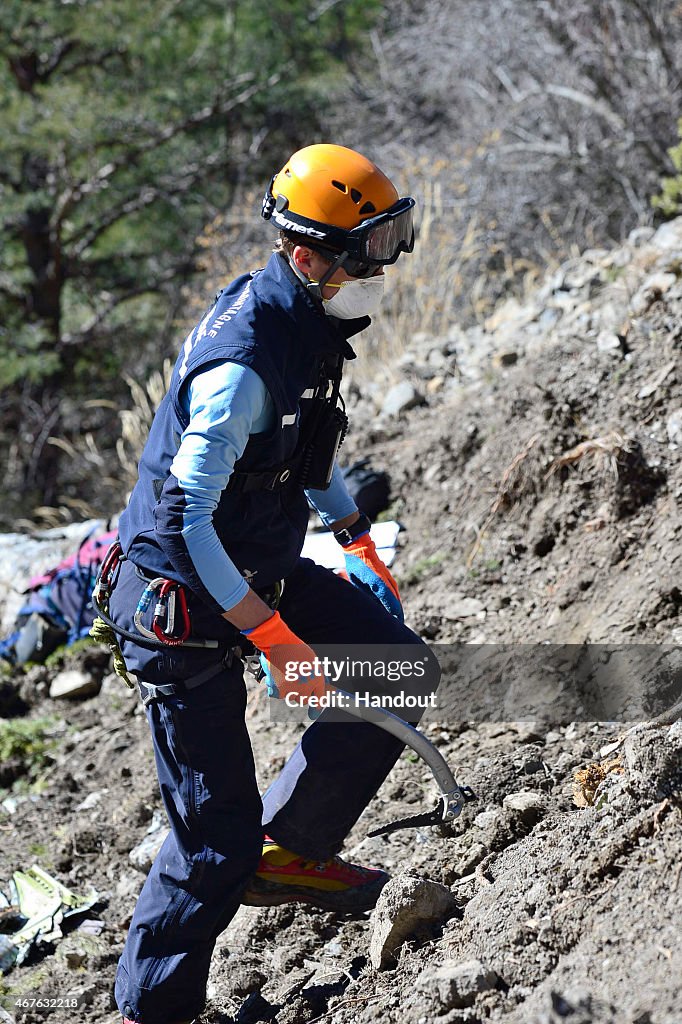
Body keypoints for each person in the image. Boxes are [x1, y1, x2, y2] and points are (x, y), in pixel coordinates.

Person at [104, 143, 439, 1024]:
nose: (384, 266)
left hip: (257, 564)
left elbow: (300, 451)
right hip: (180, 609)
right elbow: (187, 517)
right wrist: (270, 633)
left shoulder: (310, 327)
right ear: (308, 255)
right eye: (371, 248)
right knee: (213, 840)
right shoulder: (243, 363)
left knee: (391, 666)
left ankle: (290, 849)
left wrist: (354, 533)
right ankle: (154, 1010)